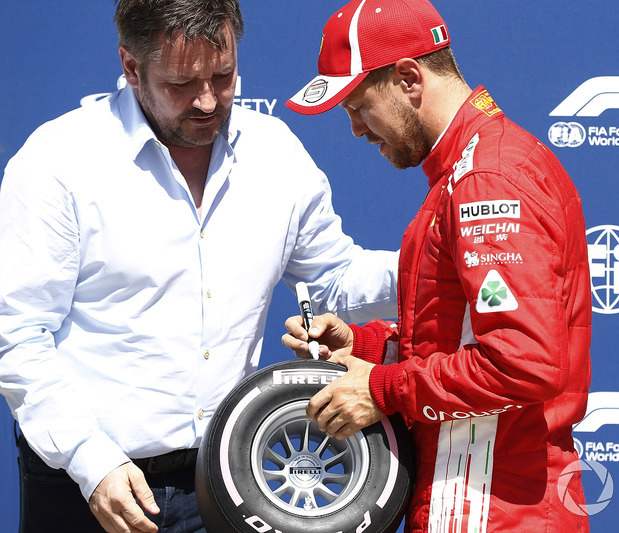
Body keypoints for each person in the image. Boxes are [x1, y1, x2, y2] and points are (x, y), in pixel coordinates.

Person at [0, 1, 399, 532]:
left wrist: (443, 259)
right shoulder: (58, 162)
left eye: (224, 75)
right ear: (130, 67)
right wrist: (91, 461)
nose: (209, 100)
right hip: (89, 487)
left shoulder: (274, 151)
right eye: (181, 84)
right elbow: (17, 332)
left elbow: (334, 279)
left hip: (230, 480)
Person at [282, 0, 592, 531]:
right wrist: (369, 348)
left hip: (493, 502)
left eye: (357, 106)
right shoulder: (471, 167)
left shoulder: (487, 178)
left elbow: (523, 362)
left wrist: (382, 388)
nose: (356, 129)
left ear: (408, 78)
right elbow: (470, 331)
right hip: (479, 493)